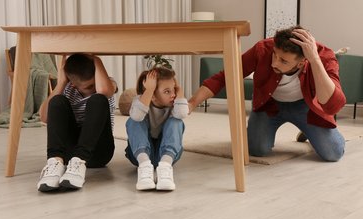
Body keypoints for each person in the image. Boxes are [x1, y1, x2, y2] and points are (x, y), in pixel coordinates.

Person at [188, 26, 346, 162]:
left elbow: (333, 105)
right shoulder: (263, 48)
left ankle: (308, 130)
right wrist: (193, 102)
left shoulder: (323, 57)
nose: (274, 63)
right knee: (257, 149)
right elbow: (225, 76)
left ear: (301, 62)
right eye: (274, 55)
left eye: (283, 61)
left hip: (306, 108)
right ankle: (307, 131)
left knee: (333, 153)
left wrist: (314, 60)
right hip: (270, 105)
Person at [37, 53, 117, 192]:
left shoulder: (106, 83)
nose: (93, 88)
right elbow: (44, 117)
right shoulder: (68, 89)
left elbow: (103, 91)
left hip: (98, 153)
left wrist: (95, 59)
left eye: (94, 84)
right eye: (88, 87)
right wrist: (61, 83)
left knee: (98, 99)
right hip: (69, 154)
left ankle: (79, 161)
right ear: (73, 85)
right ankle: (55, 163)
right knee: (57, 101)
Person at [125, 67, 188, 191]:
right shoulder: (139, 101)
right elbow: (137, 116)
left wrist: (179, 91)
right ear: (153, 96)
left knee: (176, 121)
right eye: (167, 91)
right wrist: (149, 90)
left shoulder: (175, 104)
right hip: (140, 155)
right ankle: (145, 167)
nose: (173, 95)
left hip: (166, 155)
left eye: (173, 90)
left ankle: (165, 168)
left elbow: (182, 114)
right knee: (134, 120)